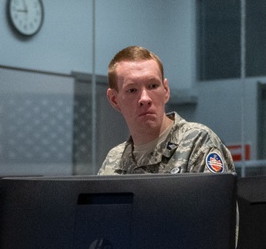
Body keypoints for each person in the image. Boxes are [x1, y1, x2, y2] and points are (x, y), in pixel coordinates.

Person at [98, 45, 235, 175]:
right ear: (114, 100)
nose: (145, 99)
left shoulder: (197, 142)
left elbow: (215, 199)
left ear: (166, 90)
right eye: (132, 90)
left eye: (152, 86)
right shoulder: (114, 162)